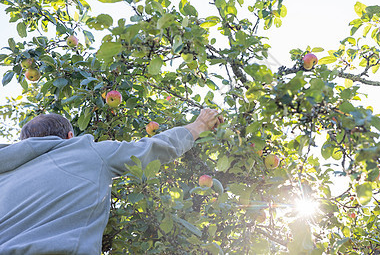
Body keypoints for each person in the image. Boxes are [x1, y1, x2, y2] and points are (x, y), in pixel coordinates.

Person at [0, 108, 223, 255]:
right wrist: (200, 125)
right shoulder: (86, 151)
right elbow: (154, 148)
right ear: (70, 137)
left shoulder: (5, 172)